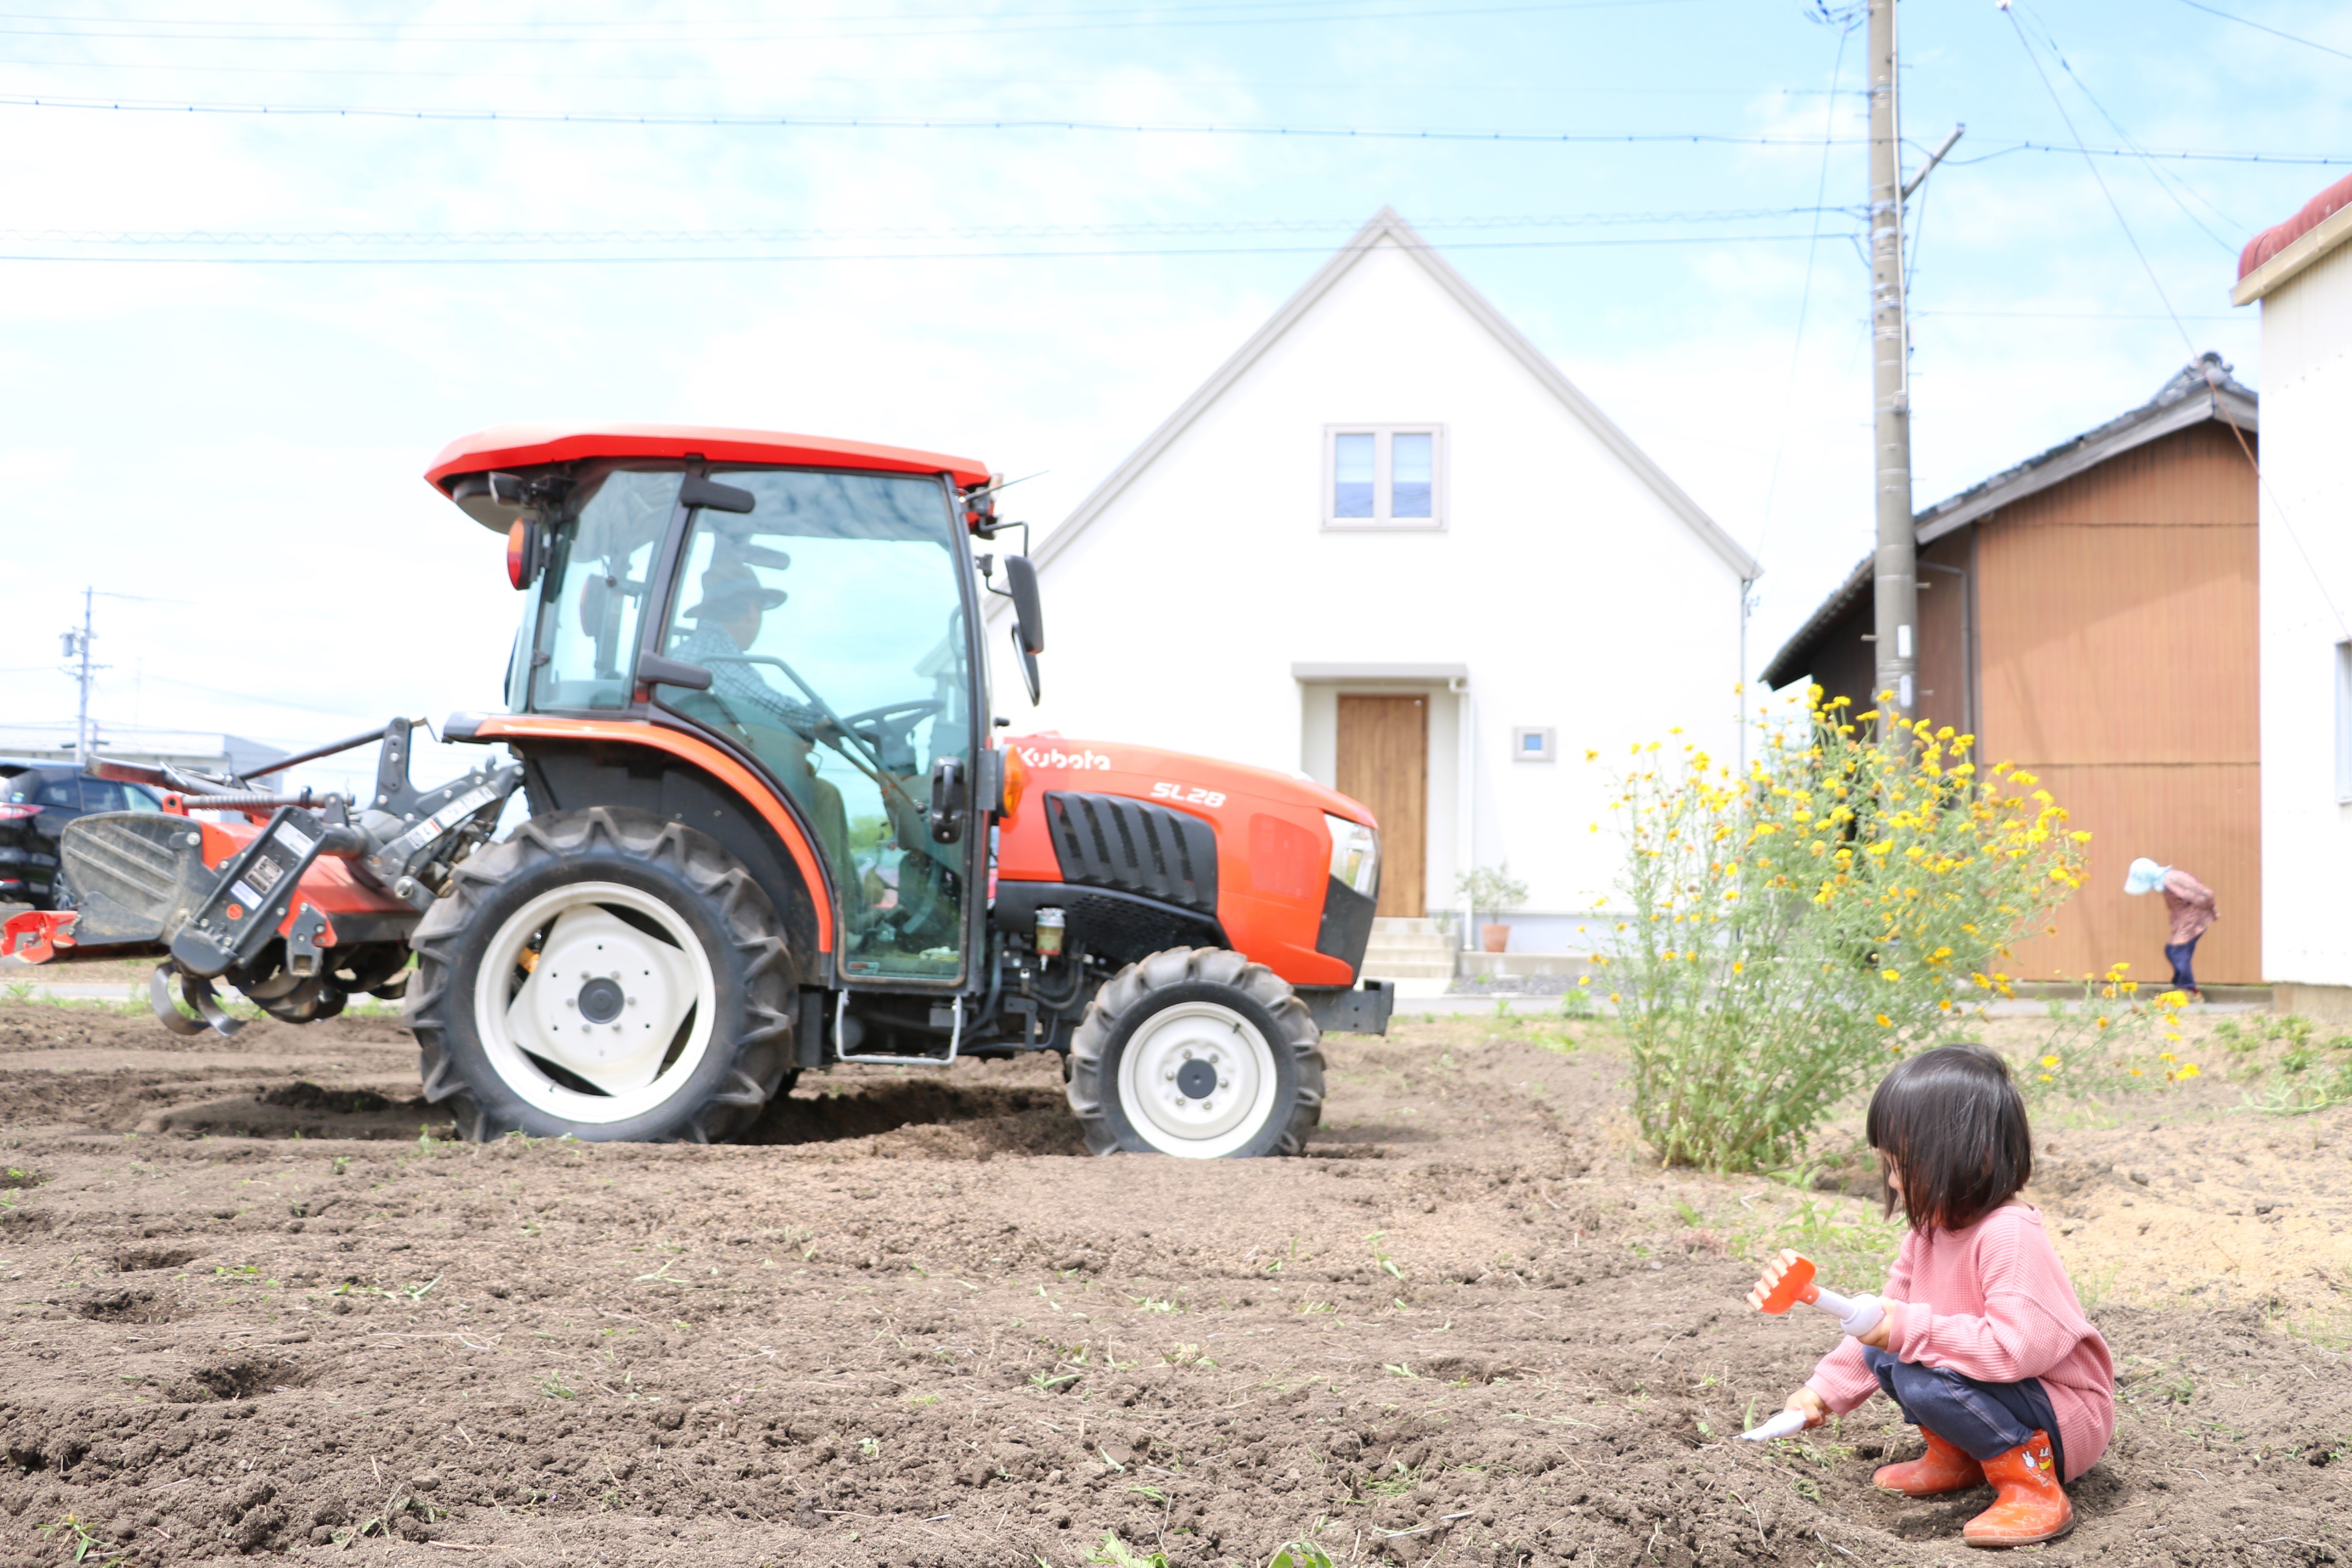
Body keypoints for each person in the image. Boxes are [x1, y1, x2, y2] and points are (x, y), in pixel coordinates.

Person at [1761, 1045, 2114, 1549]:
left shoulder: (2009, 1235)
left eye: (1901, 1165)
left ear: (1973, 1158)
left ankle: (2032, 1485)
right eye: (1888, 1164)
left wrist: (1907, 1329)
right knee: (1885, 1355)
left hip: (2063, 1414)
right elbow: (1878, 1329)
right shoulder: (1928, 1234)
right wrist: (1822, 1393)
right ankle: (1960, 1456)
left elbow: (2017, 1351)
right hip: (2002, 1394)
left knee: (1921, 1376)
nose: (1891, 1181)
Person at [2124, 858, 2215, 997]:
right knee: (2173, 950)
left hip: (2193, 919)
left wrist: (2204, 910)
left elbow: (2205, 895)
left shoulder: (2173, 880)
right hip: (2185, 920)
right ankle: (2181, 986)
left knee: (2177, 952)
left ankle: (2189, 990)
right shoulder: (2168, 881)